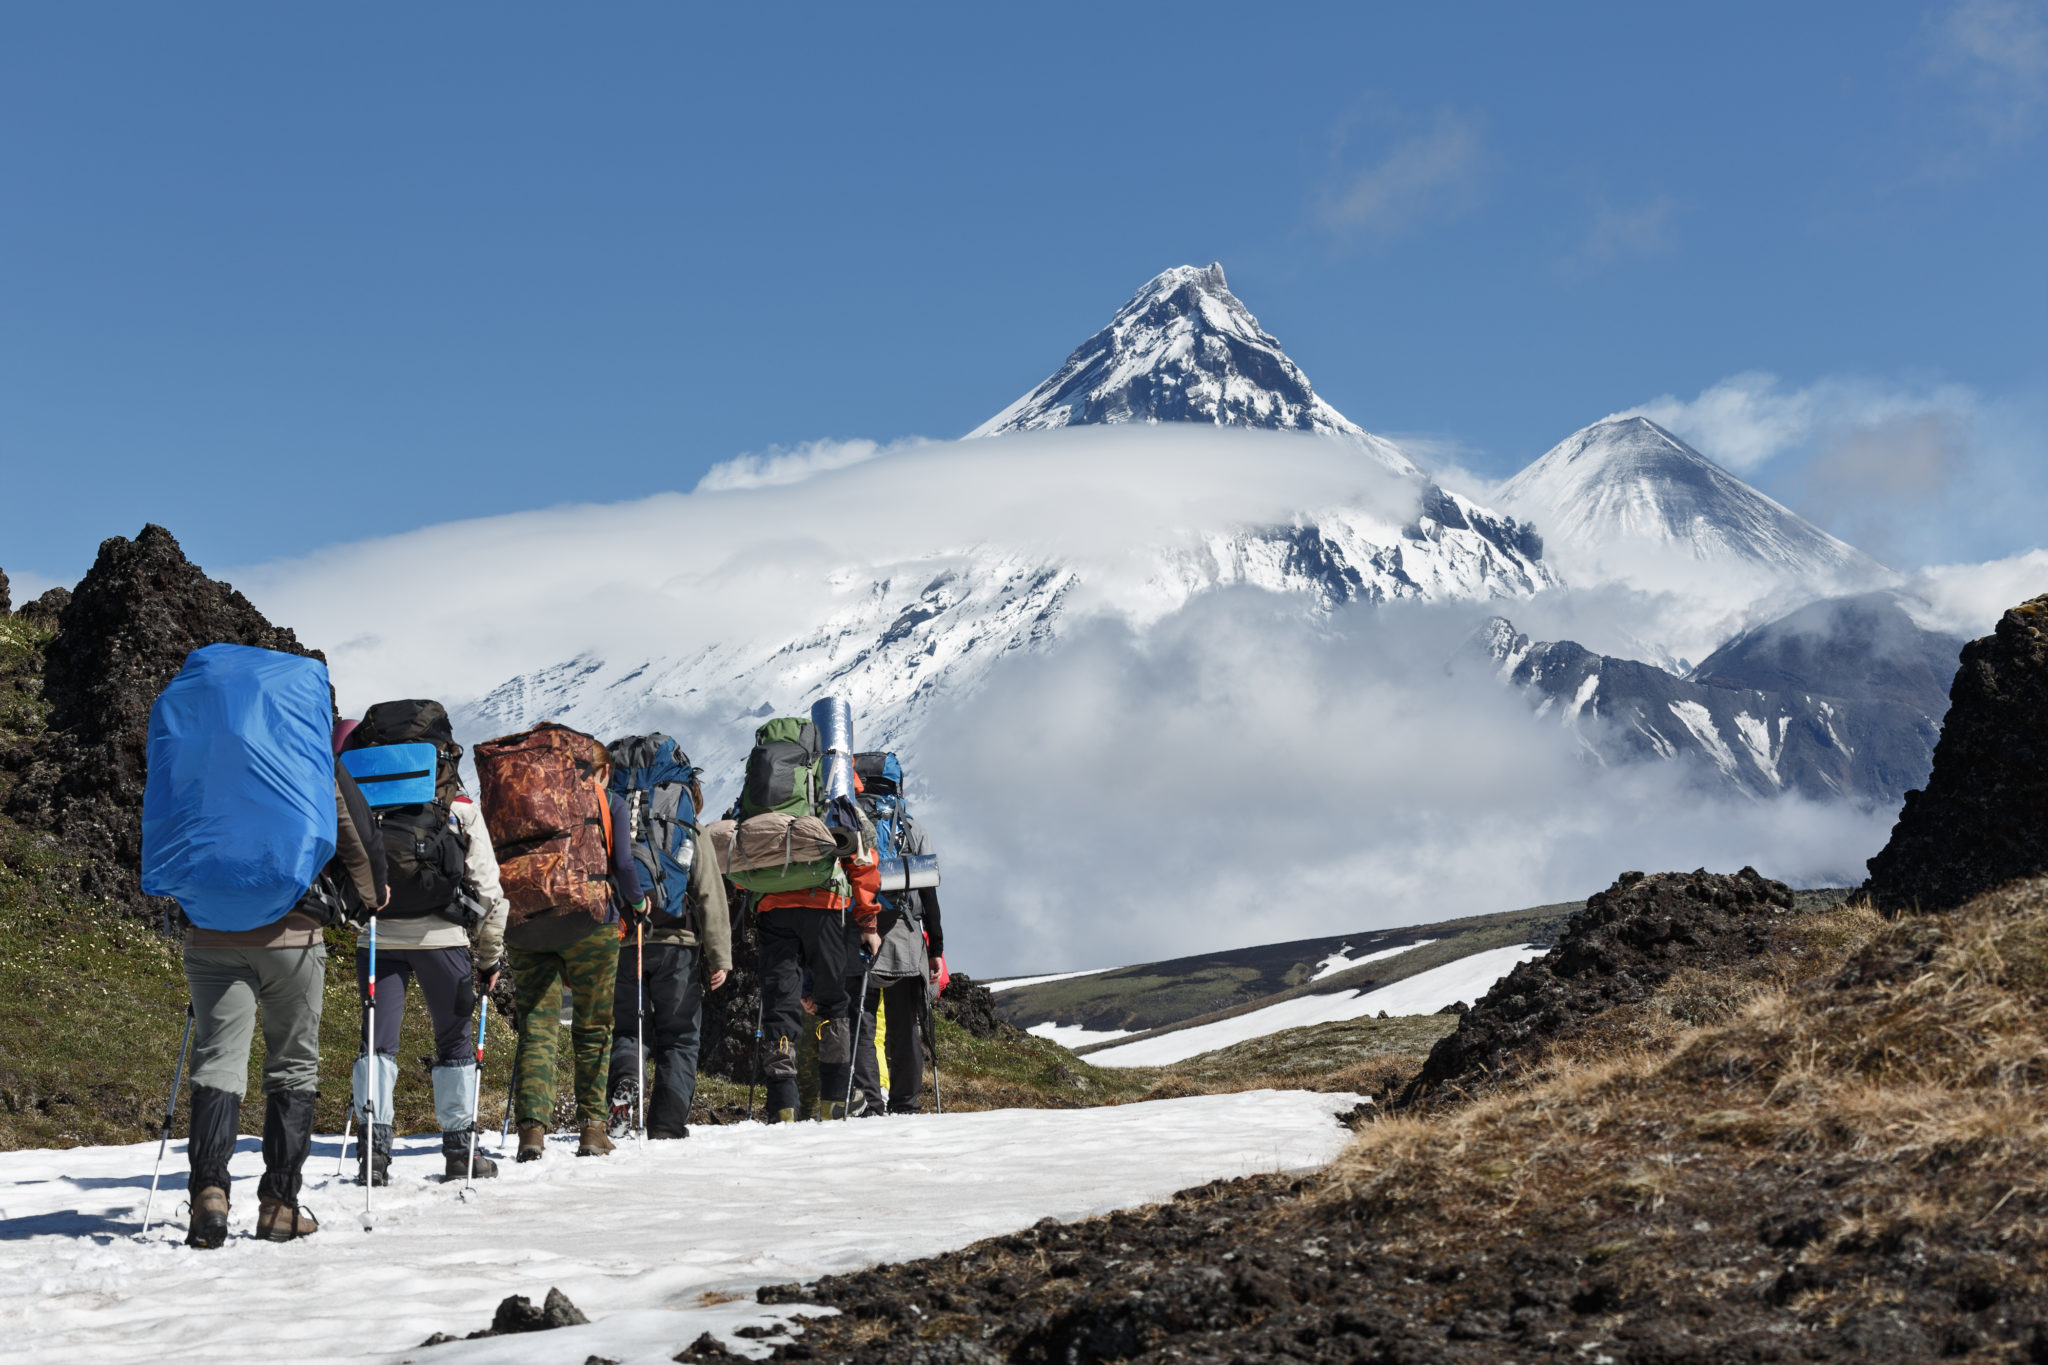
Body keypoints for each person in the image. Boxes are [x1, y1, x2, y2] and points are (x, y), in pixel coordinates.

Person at [182, 743, 386, 1247]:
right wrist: (372, 890)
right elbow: (353, 831)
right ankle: (278, 1205)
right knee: (293, 1065)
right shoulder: (304, 743)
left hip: (210, 928)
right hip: (290, 934)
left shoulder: (197, 746)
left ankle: (209, 1194)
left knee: (217, 1062)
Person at [343, 702, 512, 1185]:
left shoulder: (363, 799)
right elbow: (490, 894)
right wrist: (488, 959)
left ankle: (373, 1154)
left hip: (376, 937)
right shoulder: (458, 808)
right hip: (444, 940)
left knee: (376, 1044)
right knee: (455, 1042)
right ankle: (462, 1152)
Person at [507, 757, 645, 1160]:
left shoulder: (521, 798)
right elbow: (622, 864)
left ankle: (531, 1133)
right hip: (590, 924)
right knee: (593, 1028)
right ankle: (592, 1129)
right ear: (596, 768)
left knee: (537, 1027)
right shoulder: (607, 800)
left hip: (527, 924)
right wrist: (638, 903)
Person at [606, 771, 732, 1140]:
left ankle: (627, 1079)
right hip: (678, 943)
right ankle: (665, 1124)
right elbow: (708, 890)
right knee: (679, 1036)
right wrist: (719, 954)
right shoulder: (686, 822)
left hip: (626, 942)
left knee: (628, 1028)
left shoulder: (616, 814)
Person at [754, 779, 882, 1124]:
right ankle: (835, 1101)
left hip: (772, 906)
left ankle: (782, 1105)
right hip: (826, 904)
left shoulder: (767, 795)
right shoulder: (838, 794)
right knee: (834, 1003)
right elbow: (862, 860)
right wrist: (868, 924)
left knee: (779, 1006)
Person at [849, 770, 945, 1116]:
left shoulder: (850, 823)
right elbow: (929, 894)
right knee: (905, 1026)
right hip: (904, 938)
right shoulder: (913, 829)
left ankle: (869, 1103)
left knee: (861, 1024)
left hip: (858, 935)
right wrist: (936, 949)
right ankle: (906, 1103)